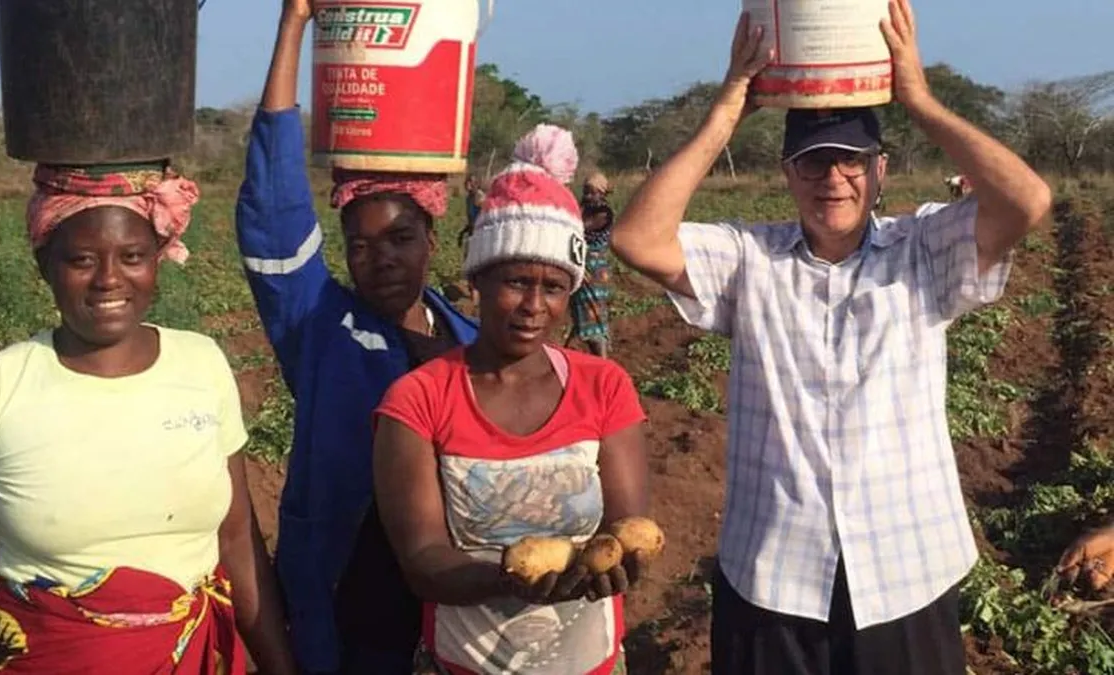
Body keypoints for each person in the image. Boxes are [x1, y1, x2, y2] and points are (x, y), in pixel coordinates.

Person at [609, 2, 1053, 673]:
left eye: (851, 161)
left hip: (905, 572)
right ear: (788, 173)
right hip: (774, 577)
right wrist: (731, 104)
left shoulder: (922, 249)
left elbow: (1029, 201)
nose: (834, 179)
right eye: (813, 163)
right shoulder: (749, 260)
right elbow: (636, 238)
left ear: (880, 170)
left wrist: (918, 99)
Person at [0, 163, 297, 675]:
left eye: (132, 256)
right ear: (44, 264)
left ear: (158, 258)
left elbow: (236, 538)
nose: (109, 279)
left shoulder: (202, 364)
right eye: (82, 260)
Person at [233, 2, 478, 673]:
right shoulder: (320, 327)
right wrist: (294, 23)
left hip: (449, 608)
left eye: (400, 238)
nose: (381, 259)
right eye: (361, 245)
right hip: (345, 607)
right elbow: (272, 210)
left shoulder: (468, 340)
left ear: (432, 241)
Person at [372, 124, 652, 675]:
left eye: (554, 287)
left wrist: (621, 564)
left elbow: (627, 527)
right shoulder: (418, 399)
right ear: (478, 280)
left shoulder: (604, 386)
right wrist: (510, 579)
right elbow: (421, 560)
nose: (534, 305)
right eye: (517, 281)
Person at [567, 172, 616, 358]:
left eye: (592, 192)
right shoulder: (584, 209)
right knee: (582, 314)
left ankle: (603, 363)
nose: (587, 196)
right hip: (582, 267)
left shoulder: (603, 213)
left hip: (594, 271)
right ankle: (569, 350)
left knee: (592, 317)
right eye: (585, 191)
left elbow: (577, 227)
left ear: (601, 193)